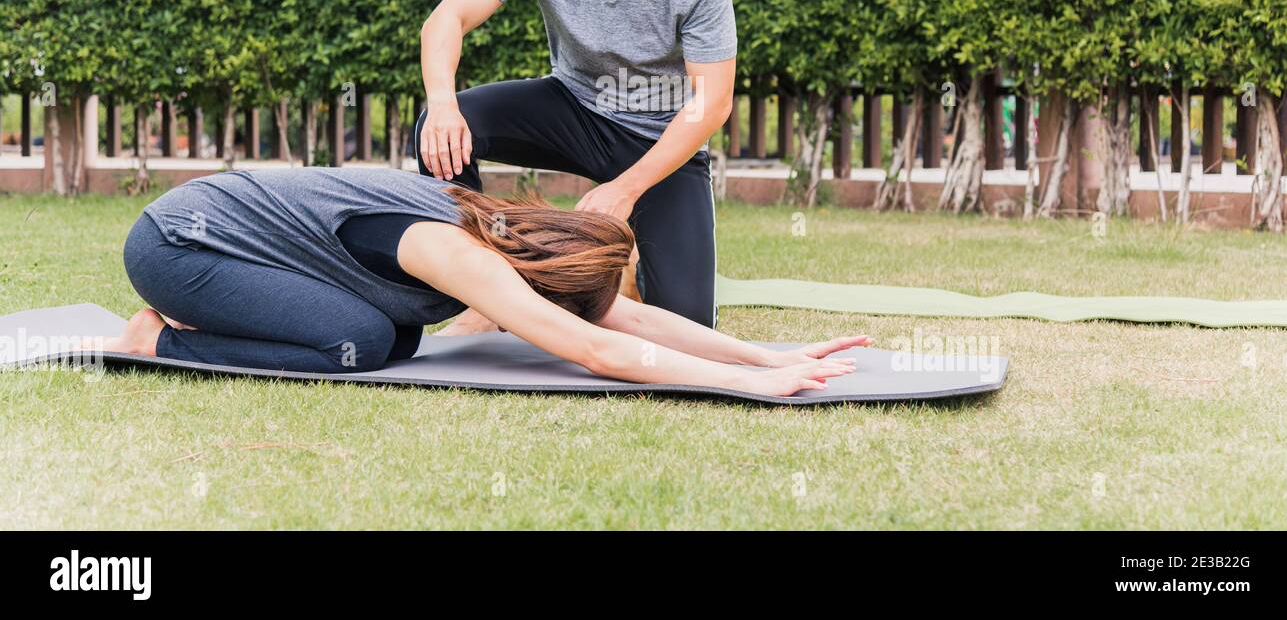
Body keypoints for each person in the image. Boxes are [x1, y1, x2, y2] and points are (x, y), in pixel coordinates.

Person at [85, 166, 871, 398]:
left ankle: (171, 325)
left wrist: (766, 355)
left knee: (395, 337)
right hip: (180, 244)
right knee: (358, 343)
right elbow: (600, 349)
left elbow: (626, 326)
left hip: (228, 238)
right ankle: (155, 336)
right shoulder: (459, 253)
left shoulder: (500, 230)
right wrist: (746, 390)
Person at [415, 0, 735, 335]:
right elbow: (447, 19)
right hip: (575, 107)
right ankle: (485, 287)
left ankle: (624, 270)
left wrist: (625, 190)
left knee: (686, 333)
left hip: (660, 137)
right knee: (447, 126)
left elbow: (712, 103)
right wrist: (442, 103)